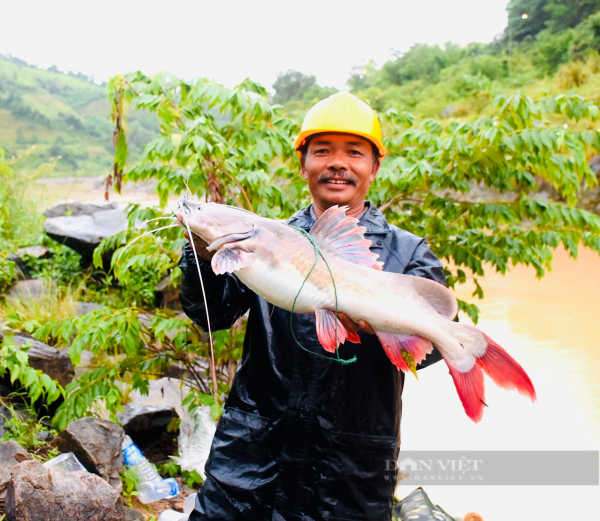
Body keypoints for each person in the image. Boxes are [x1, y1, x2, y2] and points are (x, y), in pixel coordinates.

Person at [180, 91, 446, 521]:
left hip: (350, 467)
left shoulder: (408, 254)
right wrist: (200, 252)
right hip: (250, 453)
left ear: (374, 167)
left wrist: (379, 326)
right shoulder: (264, 237)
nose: (337, 163)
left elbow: (429, 354)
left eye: (354, 152)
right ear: (303, 163)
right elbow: (211, 315)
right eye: (322, 151)